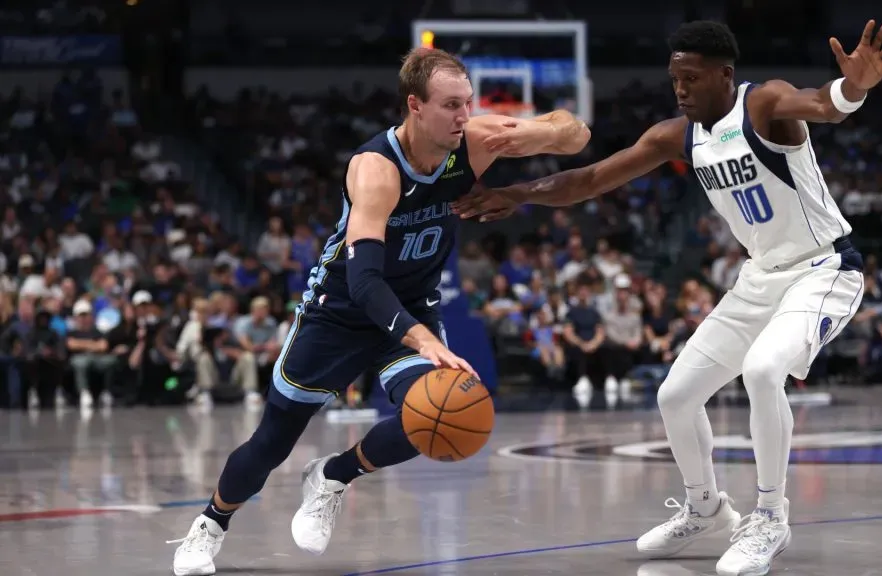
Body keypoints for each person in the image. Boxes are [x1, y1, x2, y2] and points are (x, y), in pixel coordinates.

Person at [454, 19, 882, 576]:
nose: (681, 90)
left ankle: (770, 517)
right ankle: (706, 508)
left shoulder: (763, 103)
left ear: (724, 75)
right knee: (676, 396)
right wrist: (518, 193)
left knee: (764, 371)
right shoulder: (677, 136)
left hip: (823, 268)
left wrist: (854, 87)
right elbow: (591, 179)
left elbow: (823, 105)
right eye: (675, 80)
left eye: (692, 78)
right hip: (759, 277)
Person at [169, 47, 590, 576]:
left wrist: (543, 135)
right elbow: (365, 281)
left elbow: (576, 132)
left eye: (468, 103)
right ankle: (209, 525)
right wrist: (422, 338)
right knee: (272, 442)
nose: (464, 116)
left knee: (436, 416)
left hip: (413, 303)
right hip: (341, 309)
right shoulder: (375, 169)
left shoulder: (476, 140)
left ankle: (334, 475)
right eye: (450, 105)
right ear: (415, 106)